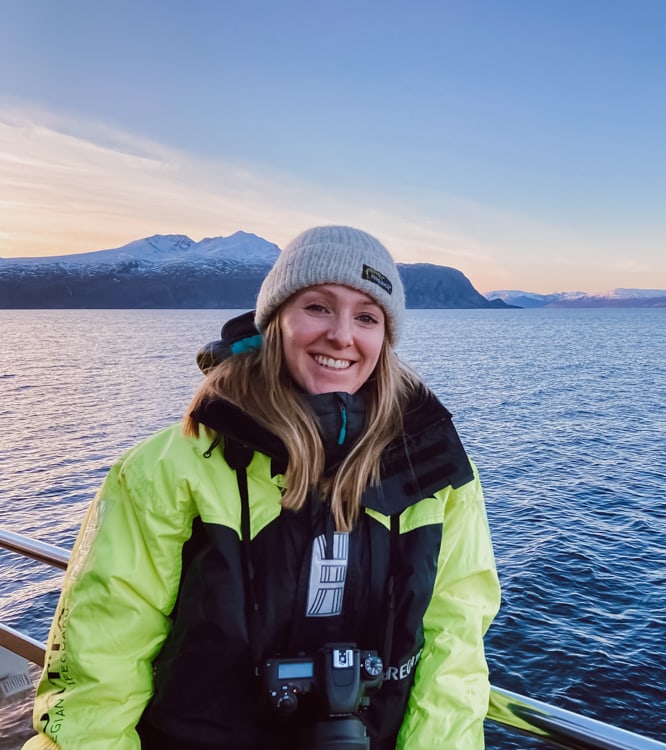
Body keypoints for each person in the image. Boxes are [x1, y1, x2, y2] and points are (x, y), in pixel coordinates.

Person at [24, 226, 502, 750]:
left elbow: (452, 653)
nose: (342, 335)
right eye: (317, 307)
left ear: (384, 340)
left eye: (367, 317)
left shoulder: (437, 475)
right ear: (274, 321)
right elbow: (99, 669)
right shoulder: (168, 470)